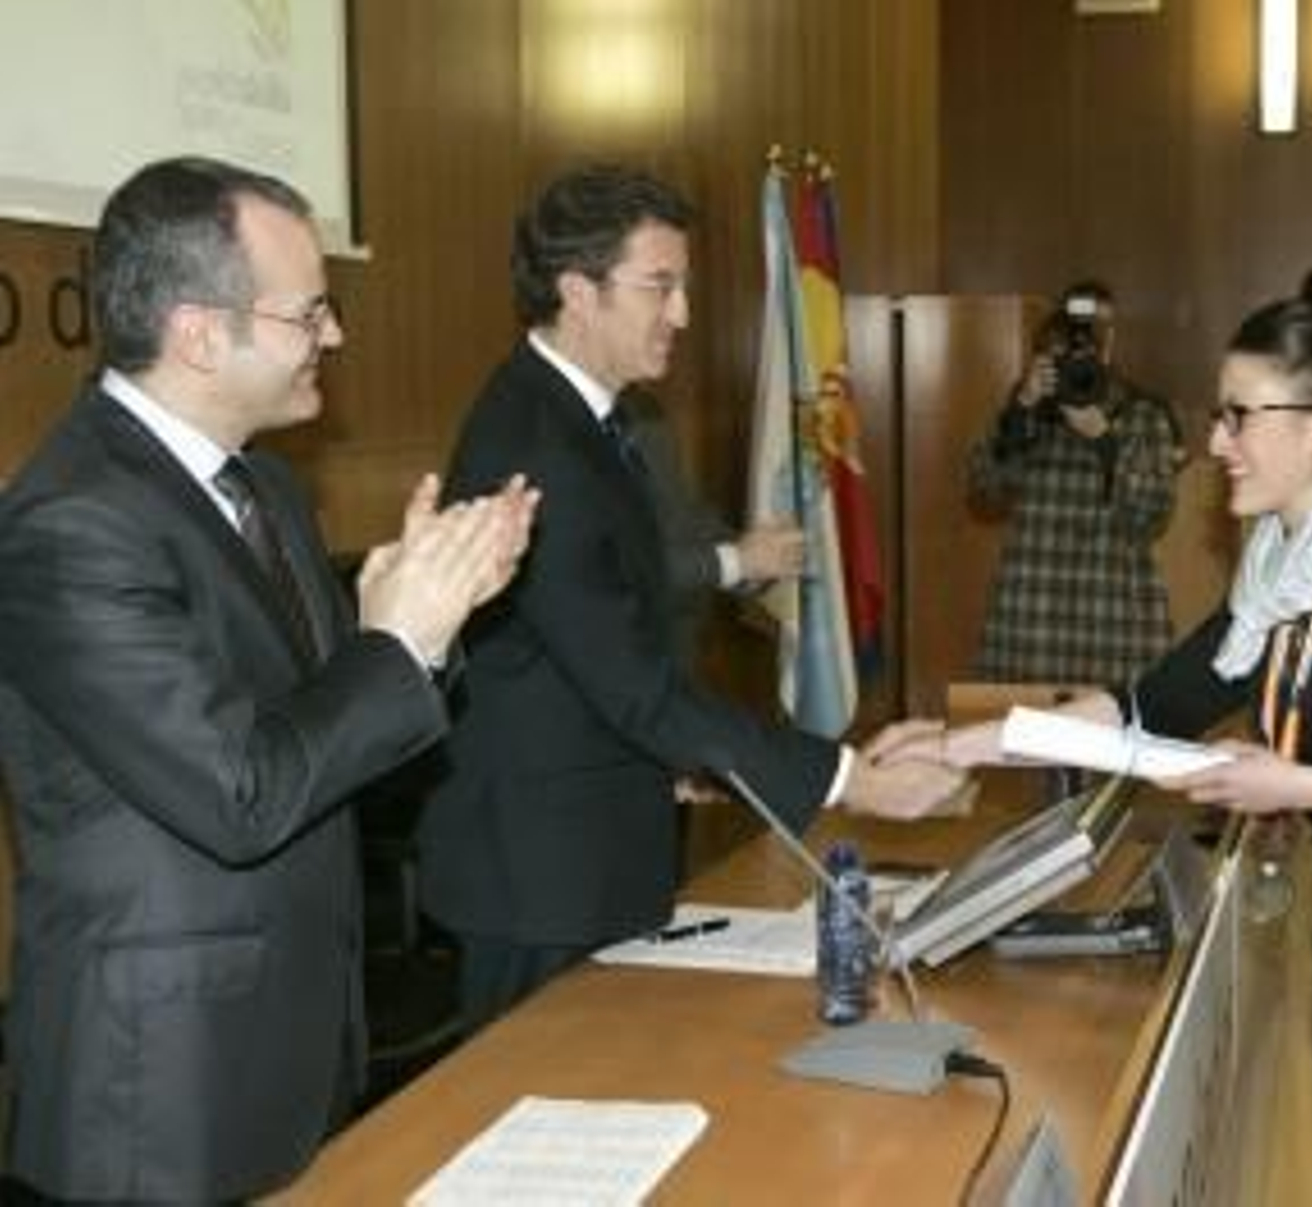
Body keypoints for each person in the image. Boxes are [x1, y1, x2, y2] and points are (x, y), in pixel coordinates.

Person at [880, 258, 1312, 1205]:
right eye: (1219, 414)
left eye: (1239, 416)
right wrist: (969, 741)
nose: (1216, 442)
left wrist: (1292, 784)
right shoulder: (1277, 577)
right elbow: (1146, 704)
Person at [0, 156, 537, 1204]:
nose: (333, 337)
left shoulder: (267, 489)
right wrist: (396, 645)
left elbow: (333, 753)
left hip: (294, 1043)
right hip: (159, 1089)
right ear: (201, 335)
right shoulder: (72, 526)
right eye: (311, 312)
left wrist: (428, 623)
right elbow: (241, 794)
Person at [417, 163, 964, 1033]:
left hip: (587, 844)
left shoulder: (590, 420)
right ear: (577, 291)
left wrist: (683, 756)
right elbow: (630, 679)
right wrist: (850, 777)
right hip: (539, 876)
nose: (682, 314)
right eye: (659, 287)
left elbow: (598, 655)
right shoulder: (540, 442)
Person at [967, 279, 1182, 686]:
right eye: (1073, 337)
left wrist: (1106, 441)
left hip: (1113, 624)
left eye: (1096, 336)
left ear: (1111, 343)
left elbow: (1153, 515)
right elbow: (983, 493)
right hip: (1031, 621)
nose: (1084, 348)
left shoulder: (1142, 413)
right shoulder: (1028, 407)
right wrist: (1021, 411)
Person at [616, 385, 805, 665]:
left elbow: (683, 514)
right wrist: (737, 561)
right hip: (605, 670)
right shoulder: (546, 421)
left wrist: (757, 559)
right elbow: (610, 564)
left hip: (674, 659)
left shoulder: (640, 408)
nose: (669, 338)